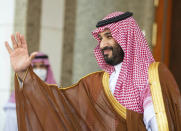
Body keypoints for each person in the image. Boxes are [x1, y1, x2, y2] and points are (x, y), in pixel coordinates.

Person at [5, 12, 181, 131]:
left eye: (109, 36)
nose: (103, 44)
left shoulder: (151, 77)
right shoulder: (96, 83)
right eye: (101, 38)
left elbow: (160, 125)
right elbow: (58, 107)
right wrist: (24, 74)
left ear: (126, 37)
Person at [3, 52, 56, 131]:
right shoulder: (16, 100)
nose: (39, 70)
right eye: (34, 66)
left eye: (41, 66)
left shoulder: (55, 98)